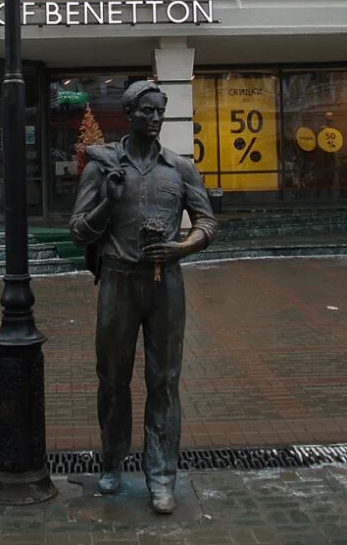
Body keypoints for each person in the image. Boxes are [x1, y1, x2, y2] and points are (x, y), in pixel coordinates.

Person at [70, 80, 218, 515]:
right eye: (147, 111)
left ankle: (161, 477)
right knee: (112, 381)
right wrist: (108, 202)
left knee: (164, 382)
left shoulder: (179, 168)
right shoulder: (102, 168)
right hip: (117, 281)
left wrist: (181, 247)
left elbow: (206, 223)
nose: (154, 119)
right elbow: (79, 230)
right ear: (129, 114)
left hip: (165, 283)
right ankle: (112, 463)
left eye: (160, 112)